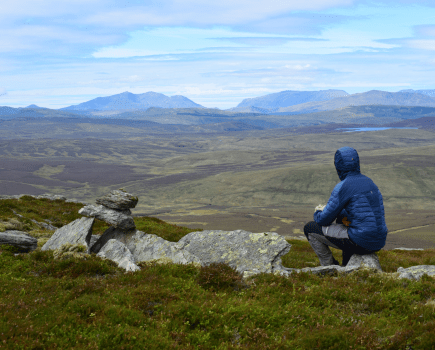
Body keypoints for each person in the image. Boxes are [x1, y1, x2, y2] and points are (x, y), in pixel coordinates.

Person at [303, 146, 388, 266]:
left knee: (310, 229)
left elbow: (324, 220)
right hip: (379, 241)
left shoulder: (343, 186)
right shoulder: (370, 182)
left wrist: (318, 212)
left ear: (338, 165)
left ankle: (330, 267)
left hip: (361, 241)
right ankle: (347, 264)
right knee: (342, 220)